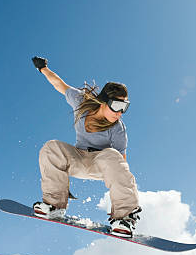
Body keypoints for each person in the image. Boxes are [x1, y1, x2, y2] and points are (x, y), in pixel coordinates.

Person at [31, 56, 142, 238]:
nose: (120, 113)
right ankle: (54, 205)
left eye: (125, 107)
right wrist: (43, 69)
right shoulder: (81, 102)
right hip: (78, 159)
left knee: (111, 155)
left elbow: (121, 163)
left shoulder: (118, 128)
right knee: (51, 147)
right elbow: (59, 84)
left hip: (102, 164)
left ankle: (124, 219)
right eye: (116, 105)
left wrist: (126, 191)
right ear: (104, 101)